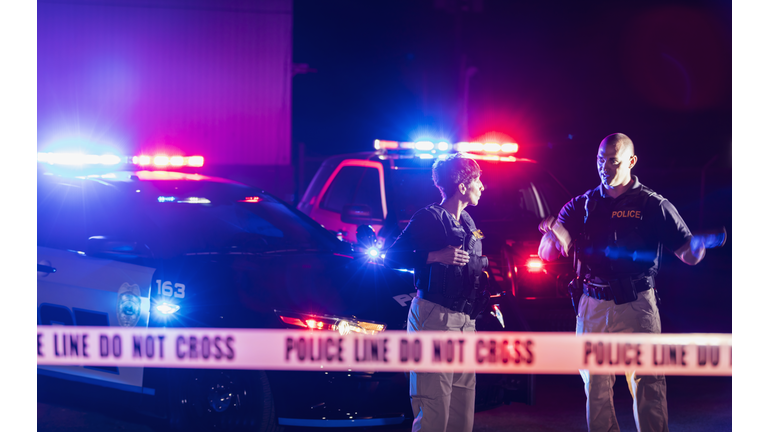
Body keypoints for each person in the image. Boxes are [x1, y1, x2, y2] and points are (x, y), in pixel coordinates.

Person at [538, 133, 705, 432]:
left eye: (613, 161)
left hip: (636, 304)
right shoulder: (583, 204)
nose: (604, 167)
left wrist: (698, 247)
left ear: (631, 161)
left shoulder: (653, 204)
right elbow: (547, 253)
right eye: (600, 160)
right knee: (595, 386)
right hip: (592, 305)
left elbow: (689, 255)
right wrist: (551, 230)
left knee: (647, 382)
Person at [385, 153, 489, 432]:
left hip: (465, 322)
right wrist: (434, 256)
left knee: (461, 410)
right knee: (433, 408)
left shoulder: (468, 222)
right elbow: (391, 257)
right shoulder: (429, 218)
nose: (483, 186)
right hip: (434, 319)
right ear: (463, 186)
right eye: (478, 180)